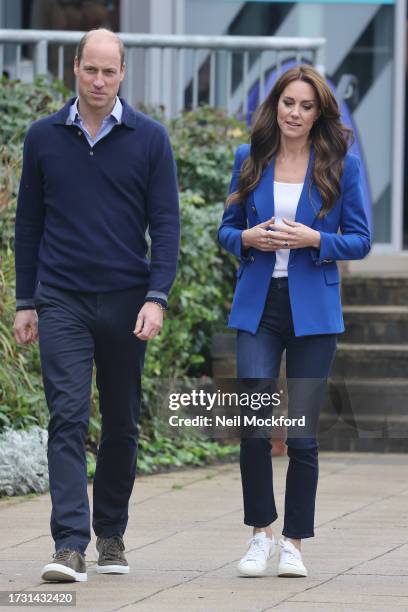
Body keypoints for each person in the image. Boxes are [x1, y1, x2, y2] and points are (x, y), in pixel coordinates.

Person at [13, 28, 179, 582]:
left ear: (123, 73)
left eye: (110, 72)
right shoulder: (42, 138)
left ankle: (110, 533)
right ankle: (68, 545)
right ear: (75, 68)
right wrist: (26, 301)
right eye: (91, 70)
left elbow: (167, 225)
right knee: (66, 416)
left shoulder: (150, 139)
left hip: (129, 300)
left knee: (123, 422)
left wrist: (157, 297)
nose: (100, 81)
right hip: (61, 298)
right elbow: (28, 224)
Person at [218, 65, 370, 578]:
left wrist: (314, 240)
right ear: (274, 106)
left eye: (307, 106)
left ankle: (294, 543)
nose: (296, 114)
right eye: (288, 104)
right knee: (255, 427)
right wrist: (246, 238)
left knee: (302, 436)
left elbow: (361, 239)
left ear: (319, 112)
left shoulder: (339, 165)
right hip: (258, 304)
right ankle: (259, 533)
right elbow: (225, 229)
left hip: (313, 307)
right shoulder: (249, 159)